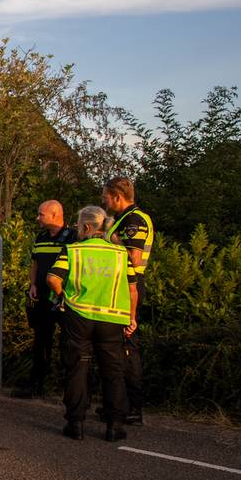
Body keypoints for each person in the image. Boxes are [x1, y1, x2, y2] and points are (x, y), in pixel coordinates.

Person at [47, 205, 139, 442]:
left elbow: (53, 278)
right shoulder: (120, 254)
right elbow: (132, 290)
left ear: (87, 227)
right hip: (112, 318)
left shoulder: (73, 250)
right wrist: (132, 317)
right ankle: (114, 425)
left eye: (78, 225)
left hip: (79, 316)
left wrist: (64, 297)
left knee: (78, 368)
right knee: (113, 372)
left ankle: (76, 423)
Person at [102, 177, 154, 425]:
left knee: (127, 347)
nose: (104, 200)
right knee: (115, 346)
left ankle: (133, 407)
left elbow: (132, 259)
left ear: (116, 196)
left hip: (129, 286)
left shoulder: (134, 220)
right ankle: (117, 403)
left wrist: (109, 244)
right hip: (121, 286)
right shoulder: (125, 218)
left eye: (106, 196)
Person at [14, 200, 77, 399]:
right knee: (41, 341)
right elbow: (35, 263)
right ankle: (36, 385)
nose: (37, 218)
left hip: (63, 298)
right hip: (41, 296)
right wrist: (33, 284)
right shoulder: (41, 237)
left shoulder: (73, 237)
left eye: (41, 214)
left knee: (69, 343)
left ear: (55, 214)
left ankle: (70, 390)